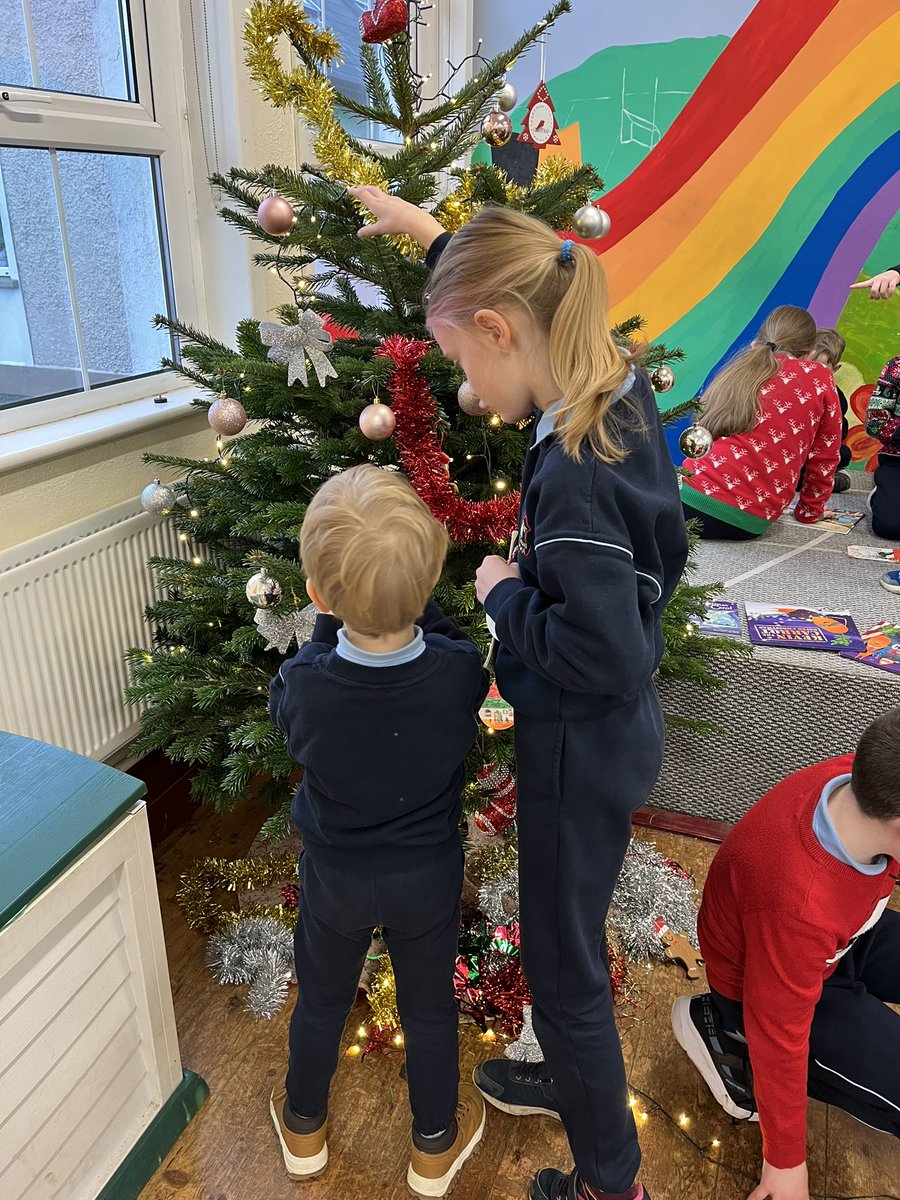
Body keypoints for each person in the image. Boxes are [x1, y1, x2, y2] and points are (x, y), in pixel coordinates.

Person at [351, 184, 689, 1200]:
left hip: (575, 746)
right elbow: (526, 273)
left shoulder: (574, 469)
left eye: (461, 361)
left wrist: (502, 593)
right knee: (563, 948)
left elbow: (606, 654)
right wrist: (432, 236)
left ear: (499, 331)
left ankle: (608, 1176)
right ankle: (566, 1072)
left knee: (561, 959)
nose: (469, 386)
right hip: (607, 742)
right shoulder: (609, 379)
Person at [268, 464, 490, 1199]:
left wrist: (333, 622)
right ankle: (432, 1151)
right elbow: (452, 643)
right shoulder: (458, 672)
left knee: (323, 1002)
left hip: (336, 878)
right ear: (426, 590)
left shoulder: (306, 684)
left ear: (317, 596)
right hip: (425, 877)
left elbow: (291, 699)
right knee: (430, 1010)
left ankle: (304, 1129)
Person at [672, 707, 900, 1200]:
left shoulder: (859, 777)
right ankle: (726, 1037)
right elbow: (780, 1035)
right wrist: (786, 1164)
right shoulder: (799, 904)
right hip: (774, 985)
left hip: (846, 934)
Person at [680, 306, 842, 539]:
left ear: (759, 341)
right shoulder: (819, 376)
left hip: (684, 502)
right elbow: (825, 454)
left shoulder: (741, 366)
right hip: (747, 522)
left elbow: (703, 428)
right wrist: (809, 511)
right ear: (810, 353)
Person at [806, 327, 851, 493]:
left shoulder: (836, 397)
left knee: (843, 453)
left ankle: (821, 479)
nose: (813, 374)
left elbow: (839, 434)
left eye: (821, 369)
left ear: (834, 370)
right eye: (809, 366)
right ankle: (809, 481)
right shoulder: (793, 387)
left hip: (817, 452)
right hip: (793, 450)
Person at [864, 354, 900, 542]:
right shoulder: (896, 366)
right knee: (890, 526)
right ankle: (881, 495)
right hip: (897, 460)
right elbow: (874, 422)